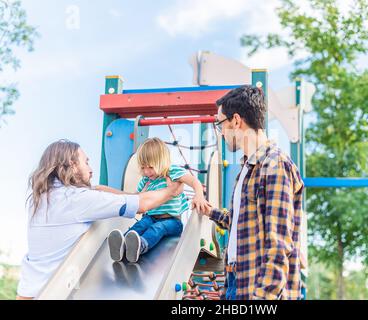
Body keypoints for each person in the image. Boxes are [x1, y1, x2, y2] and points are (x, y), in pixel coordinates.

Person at [16, 139, 183, 299]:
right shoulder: (75, 198)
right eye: (86, 162)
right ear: (73, 166)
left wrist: (101, 190)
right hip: (60, 292)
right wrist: (171, 191)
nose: (91, 169)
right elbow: (141, 203)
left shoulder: (39, 199)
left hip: (29, 293)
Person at [202, 85, 304, 300]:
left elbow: (278, 244)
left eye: (220, 124)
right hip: (237, 283)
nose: (220, 133)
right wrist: (210, 212)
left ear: (236, 121)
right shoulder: (248, 168)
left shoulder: (274, 165)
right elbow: (245, 224)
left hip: (258, 291)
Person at [102, 137, 212, 263]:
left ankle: (141, 246)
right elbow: (137, 197)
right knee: (140, 225)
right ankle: (122, 244)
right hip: (150, 217)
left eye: (150, 167)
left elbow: (194, 181)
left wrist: (199, 195)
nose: (147, 171)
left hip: (172, 221)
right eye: (143, 168)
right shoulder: (146, 180)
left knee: (157, 228)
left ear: (162, 161)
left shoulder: (172, 172)